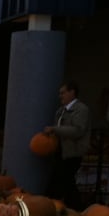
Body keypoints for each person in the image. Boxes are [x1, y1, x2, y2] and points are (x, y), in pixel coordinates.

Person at [44, 80, 91, 208]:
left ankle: (54, 205)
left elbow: (78, 130)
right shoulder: (61, 111)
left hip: (72, 152)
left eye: (63, 93)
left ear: (72, 92)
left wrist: (55, 129)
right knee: (64, 180)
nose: (60, 96)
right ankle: (61, 206)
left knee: (64, 179)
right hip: (60, 151)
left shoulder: (81, 110)